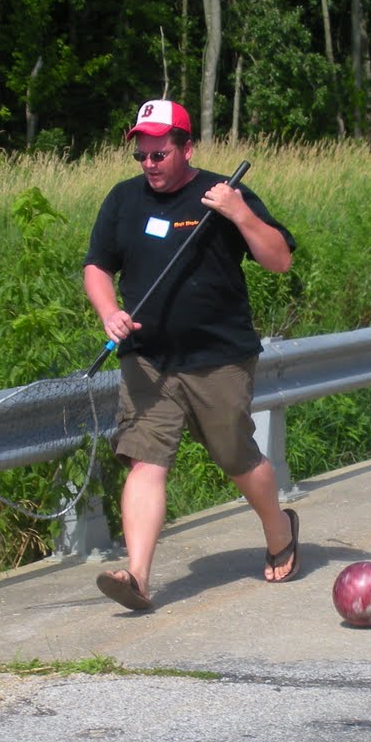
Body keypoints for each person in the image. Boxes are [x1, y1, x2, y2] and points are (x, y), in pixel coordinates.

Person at [83, 98, 299, 610]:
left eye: (159, 154)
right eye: (142, 155)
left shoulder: (226, 193)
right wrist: (109, 311)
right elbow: (97, 267)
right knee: (145, 461)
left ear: (186, 147)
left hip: (219, 357)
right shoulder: (123, 201)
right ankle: (136, 576)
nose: (149, 165)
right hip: (148, 358)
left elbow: (280, 260)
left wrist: (239, 213)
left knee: (234, 456)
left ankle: (279, 527)